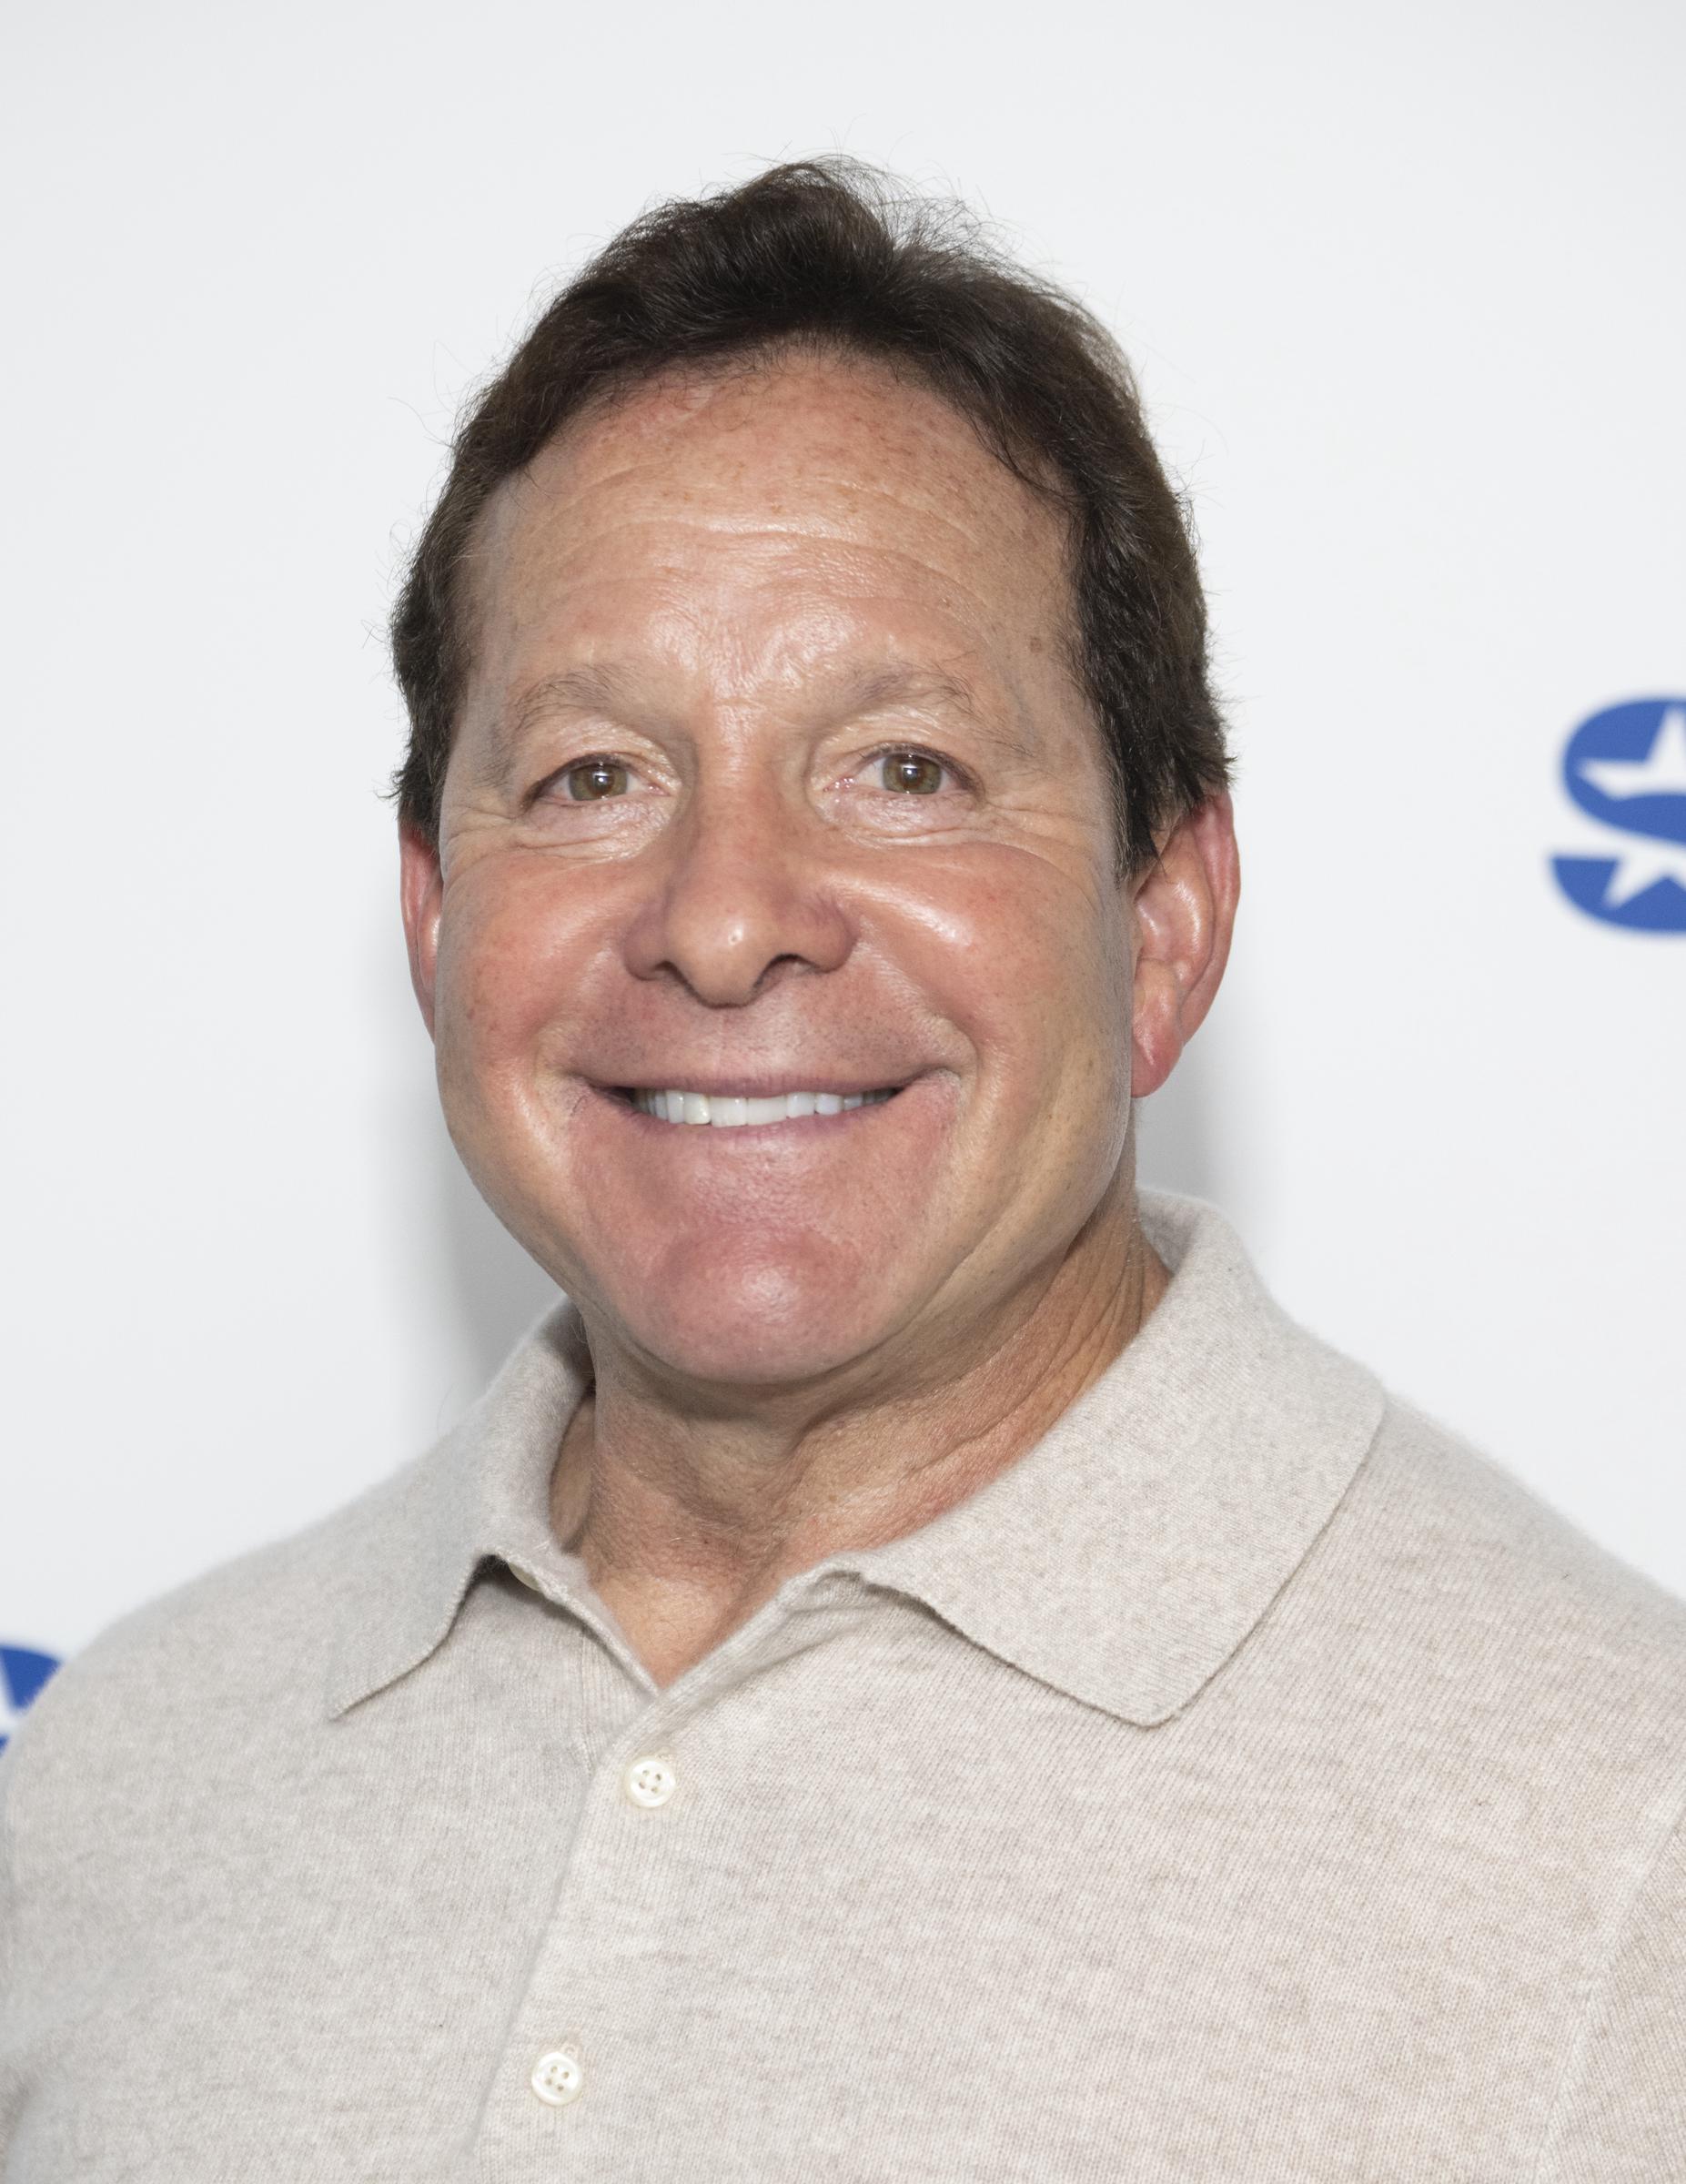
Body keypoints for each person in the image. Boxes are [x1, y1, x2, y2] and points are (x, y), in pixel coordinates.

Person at [2, 160, 1681, 2181]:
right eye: (591, 777)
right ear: (435, 913)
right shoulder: (118, 1773)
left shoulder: (1624, 1842)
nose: (724, 923)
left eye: (906, 768)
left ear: (1159, 923)